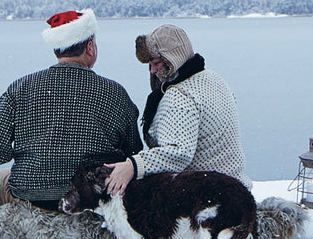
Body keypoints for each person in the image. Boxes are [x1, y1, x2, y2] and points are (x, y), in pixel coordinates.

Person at [0, 9, 142, 208]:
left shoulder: (21, 88)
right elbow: (133, 152)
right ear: (90, 47)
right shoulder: (115, 94)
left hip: (32, 201)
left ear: (57, 49)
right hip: (90, 200)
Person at [102, 24, 245, 197]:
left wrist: (132, 166)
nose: (153, 70)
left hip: (207, 198)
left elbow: (178, 153)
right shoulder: (214, 79)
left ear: (173, 58)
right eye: (150, 64)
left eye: (156, 63)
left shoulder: (179, 96)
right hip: (236, 188)